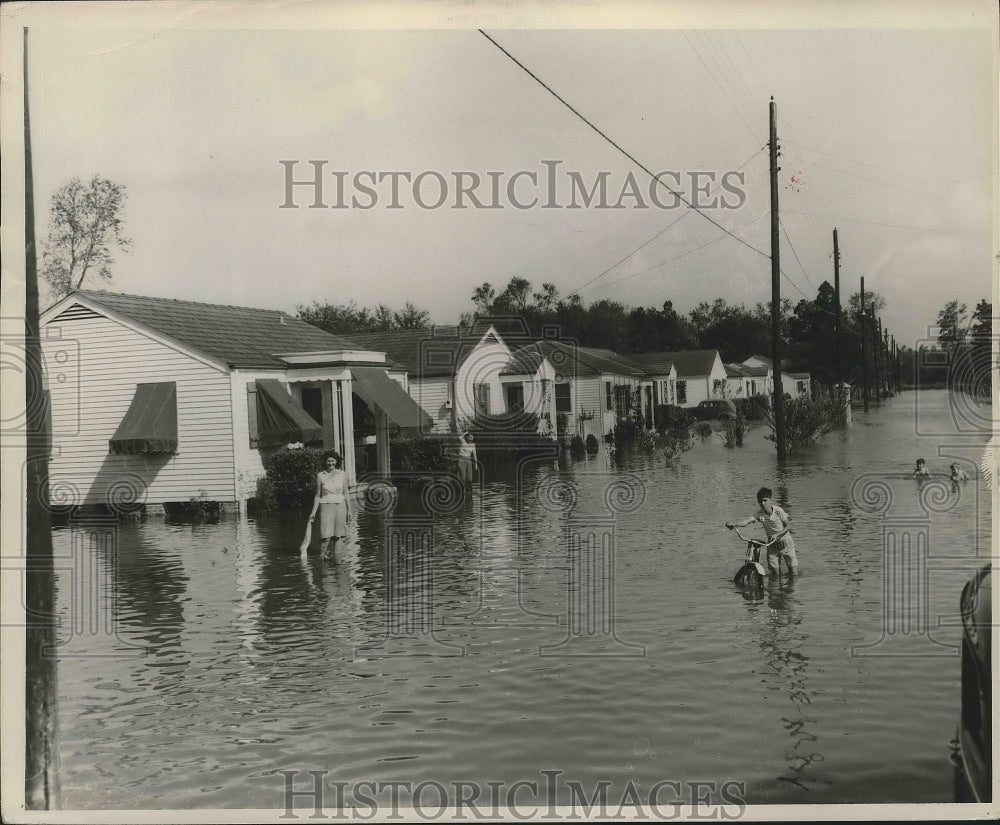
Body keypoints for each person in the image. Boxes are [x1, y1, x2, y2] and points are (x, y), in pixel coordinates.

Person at [725, 486, 798, 577]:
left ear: (770, 500)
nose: (762, 503)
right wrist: (734, 524)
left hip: (785, 542)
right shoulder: (759, 513)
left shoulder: (778, 511)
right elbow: (747, 521)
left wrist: (777, 535)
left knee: (793, 573)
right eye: (760, 501)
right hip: (772, 544)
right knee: (775, 574)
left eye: (765, 500)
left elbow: (788, 526)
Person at [308, 450, 351, 560]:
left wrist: (349, 510)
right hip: (326, 505)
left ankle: (337, 562)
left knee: (338, 536)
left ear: (336, 461)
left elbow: (346, 493)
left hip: (340, 506)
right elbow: (317, 496)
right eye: (328, 461)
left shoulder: (342, 474)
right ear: (325, 462)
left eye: (332, 461)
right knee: (326, 536)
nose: (330, 463)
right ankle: (322, 560)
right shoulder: (320, 475)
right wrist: (313, 512)